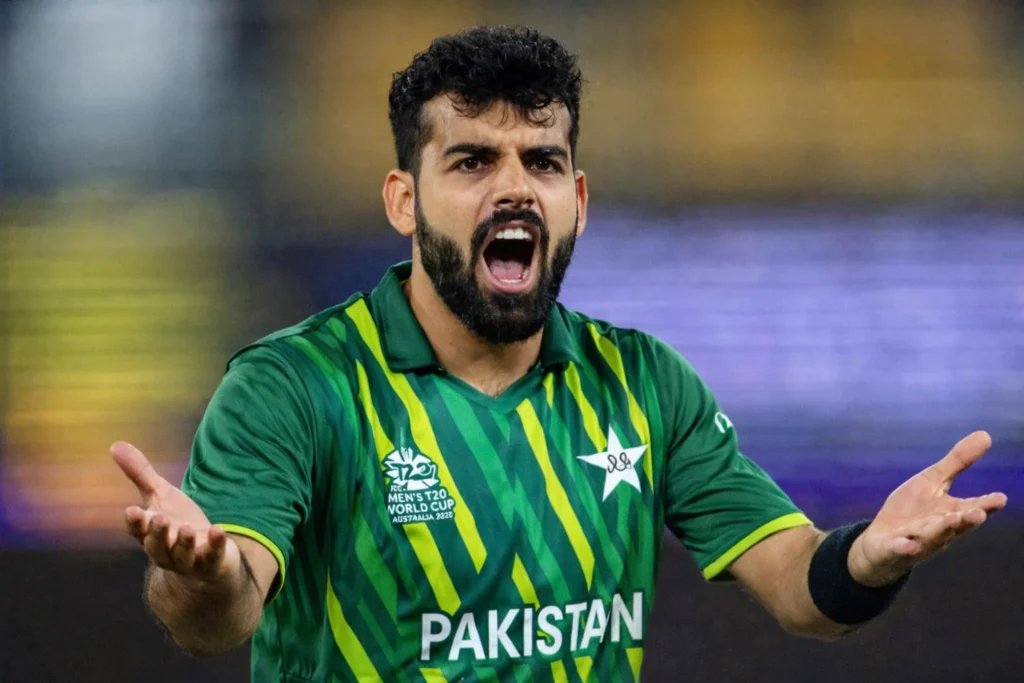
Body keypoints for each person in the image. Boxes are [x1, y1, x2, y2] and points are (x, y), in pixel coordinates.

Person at [112, 26, 1008, 683]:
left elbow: (797, 586)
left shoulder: (643, 380)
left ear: (576, 196)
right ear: (402, 200)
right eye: (470, 163)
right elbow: (219, 618)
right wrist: (200, 571)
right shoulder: (292, 385)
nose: (514, 186)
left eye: (541, 162)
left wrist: (867, 558)